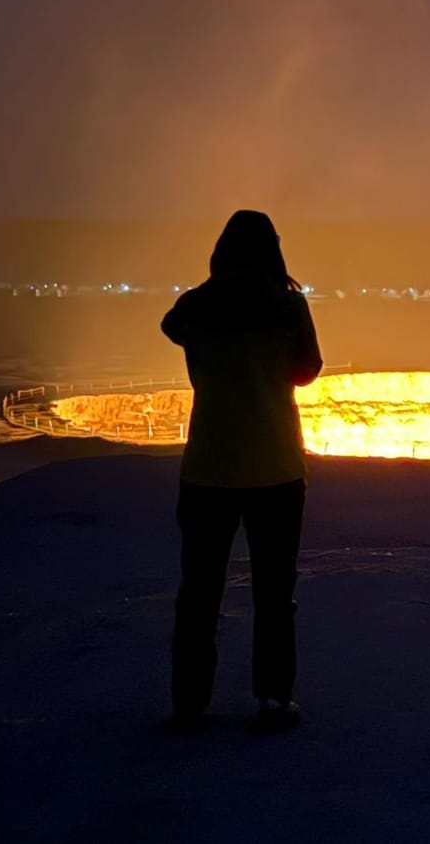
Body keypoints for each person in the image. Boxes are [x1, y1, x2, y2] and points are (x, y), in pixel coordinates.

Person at [160, 209, 323, 734]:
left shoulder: (198, 305)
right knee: (274, 593)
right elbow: (308, 370)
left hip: (209, 467)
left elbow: (171, 326)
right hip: (275, 467)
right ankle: (274, 699)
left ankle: (190, 704)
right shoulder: (287, 305)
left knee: (199, 593)